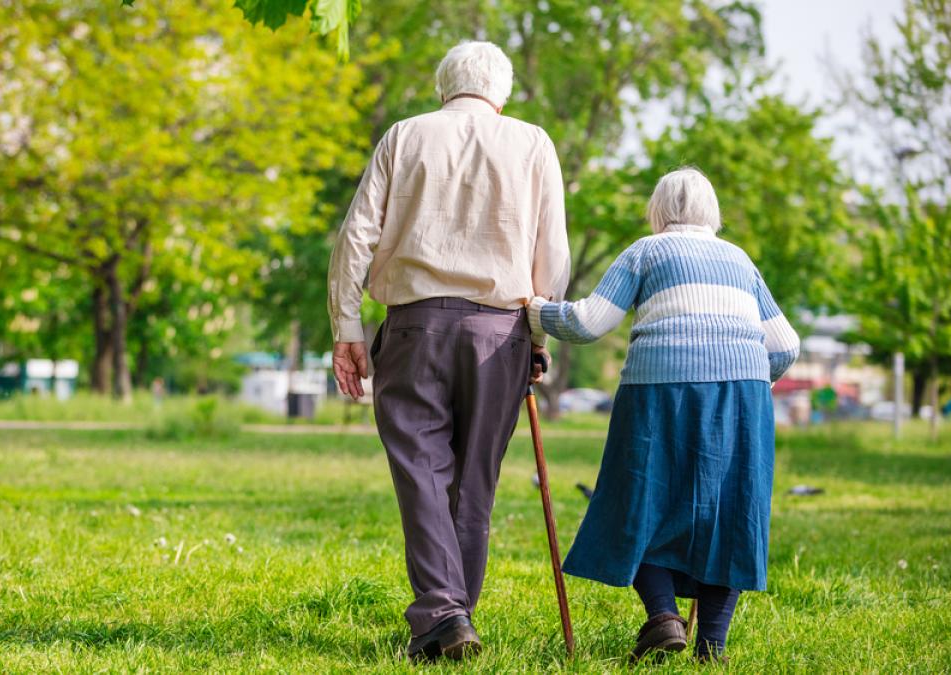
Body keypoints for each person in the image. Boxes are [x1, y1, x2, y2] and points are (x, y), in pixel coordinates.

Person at [327, 41, 570, 661]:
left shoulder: (405, 135)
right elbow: (552, 254)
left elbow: (356, 237)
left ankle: (443, 614)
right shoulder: (533, 142)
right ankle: (451, 614)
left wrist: (347, 326)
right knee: (474, 482)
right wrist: (538, 338)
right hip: (502, 331)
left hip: (414, 328)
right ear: (502, 92)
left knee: (422, 473)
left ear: (444, 86)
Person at [527, 168, 800, 664]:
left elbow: (589, 322)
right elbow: (786, 345)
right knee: (730, 515)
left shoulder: (646, 251)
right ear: (711, 212)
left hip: (658, 390)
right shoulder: (739, 259)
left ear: (658, 210)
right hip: (742, 394)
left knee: (637, 502)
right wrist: (751, 381)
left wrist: (536, 310)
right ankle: (711, 648)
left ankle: (664, 616)